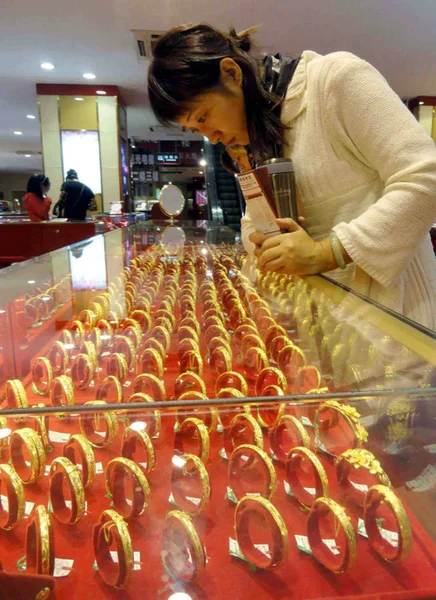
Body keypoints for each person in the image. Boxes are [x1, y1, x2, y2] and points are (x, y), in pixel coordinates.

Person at [148, 24, 436, 329]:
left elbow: (426, 176)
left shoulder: (336, 80)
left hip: (396, 325)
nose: (212, 137)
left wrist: (327, 252)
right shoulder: (257, 135)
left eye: (203, 117)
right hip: (321, 326)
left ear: (232, 74)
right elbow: (251, 220)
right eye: (197, 129)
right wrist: (263, 243)